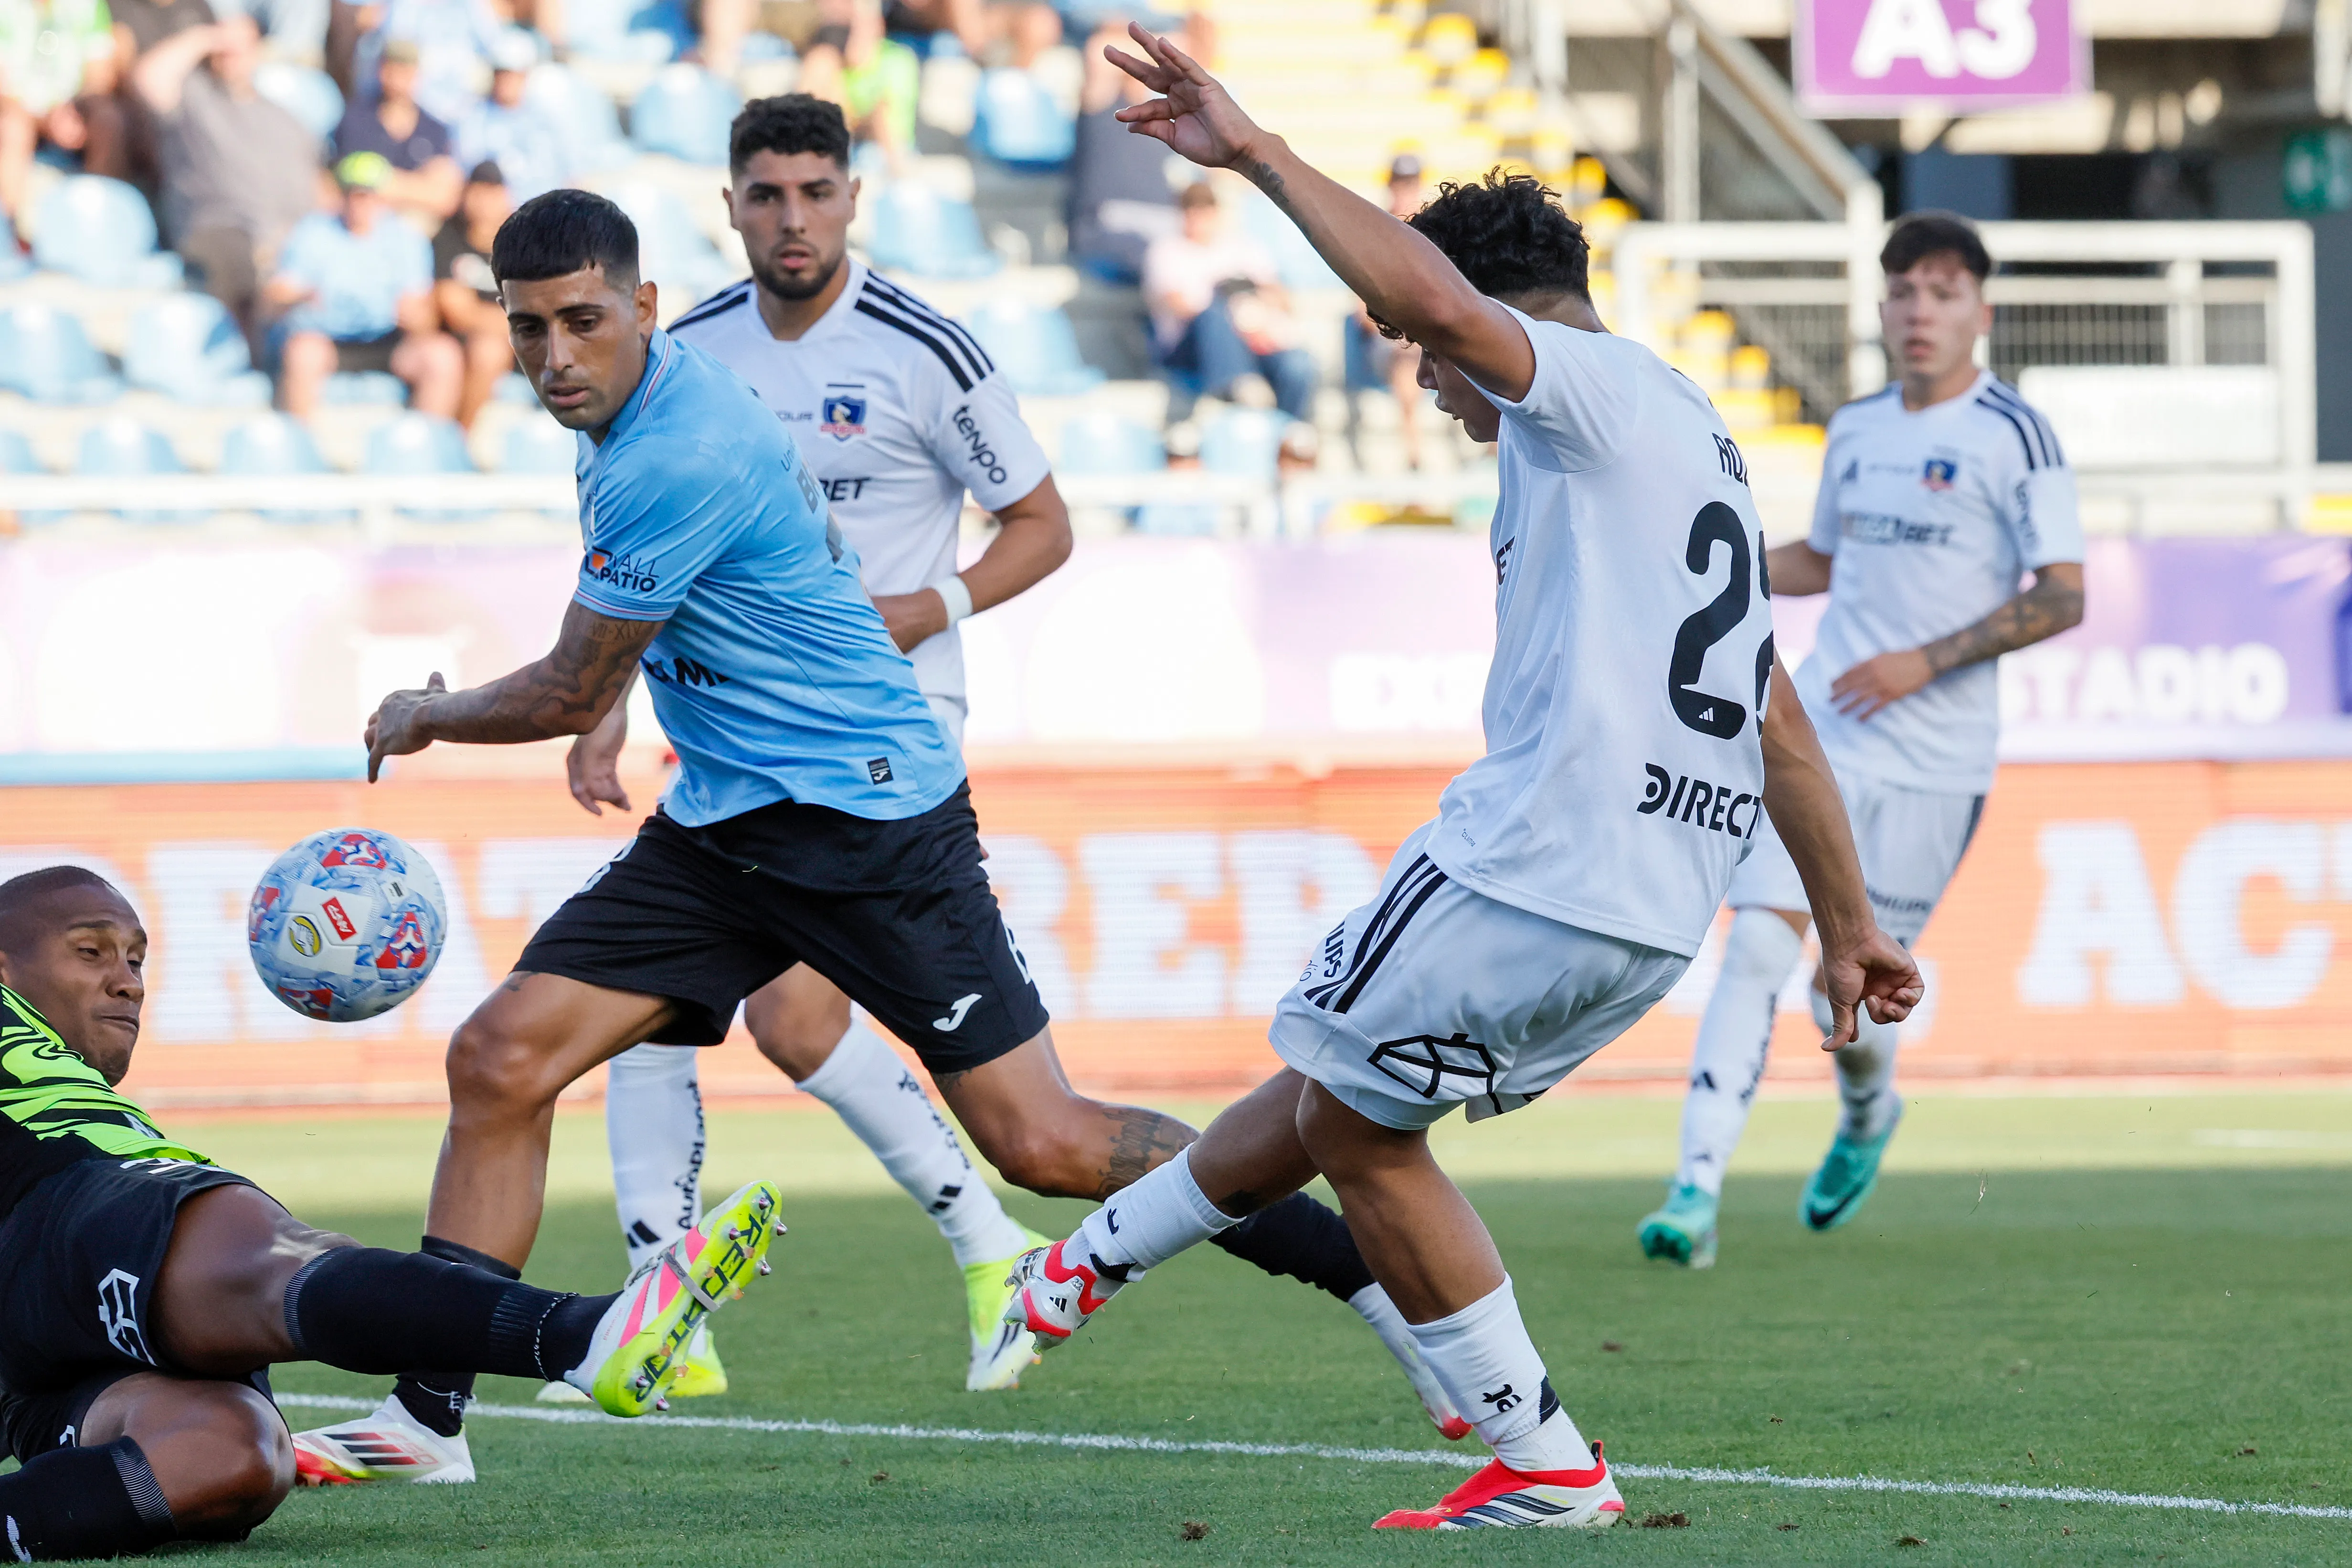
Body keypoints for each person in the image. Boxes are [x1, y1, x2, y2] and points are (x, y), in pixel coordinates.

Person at [295, 184, 1467, 1482]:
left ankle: (1365, 1271)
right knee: (501, 1057)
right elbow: (653, 631)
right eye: (525, 331)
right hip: (728, 823)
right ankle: (426, 1416)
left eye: (579, 322)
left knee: (1048, 1144)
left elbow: (570, 680)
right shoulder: (627, 411)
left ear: (643, 306)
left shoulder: (672, 449)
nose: (552, 358)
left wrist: (429, 710)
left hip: (868, 822)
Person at [995, 25, 1922, 1532]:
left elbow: (1423, 293)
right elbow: (1780, 718)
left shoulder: (1585, 390)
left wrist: (1255, 152)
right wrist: (1846, 921)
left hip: (1537, 857)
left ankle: (1546, 1455)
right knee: (1338, 1090)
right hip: (1656, 896)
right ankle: (1091, 1260)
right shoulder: (1693, 440)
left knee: (1354, 1121)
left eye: (1427, 350)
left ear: (1490, 316)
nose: (1421, 377)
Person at [0, 864, 783, 1555]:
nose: (129, 979)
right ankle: (578, 1333)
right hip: (59, 1198)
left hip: (34, 1347)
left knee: (232, 1456)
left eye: (137, 958)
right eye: (92, 950)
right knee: (259, 1251)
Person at [1637, 212, 2084, 1269]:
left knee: (1851, 987)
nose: (1920, 310)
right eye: (1904, 292)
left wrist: (1922, 662)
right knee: (1753, 940)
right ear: (1882, 309)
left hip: (1938, 760)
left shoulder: (2016, 433)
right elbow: (1823, 559)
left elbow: (2063, 594)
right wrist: (1714, 558)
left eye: (1942, 291)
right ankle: (1693, 1194)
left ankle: (1871, 1109)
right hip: (1828, 737)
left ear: (1980, 308)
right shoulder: (1858, 428)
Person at [131, 15, 317, 344]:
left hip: (277, 239)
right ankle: (250, 354)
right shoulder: (193, 98)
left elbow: (308, 194)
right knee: (234, 253)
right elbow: (148, 78)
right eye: (224, 48)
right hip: (214, 230)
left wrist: (284, 242)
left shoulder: (286, 121)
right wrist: (207, 36)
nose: (230, 55)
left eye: (240, 48)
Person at [267, 151, 462, 420]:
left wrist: (416, 317)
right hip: (328, 341)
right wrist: (298, 296)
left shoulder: (406, 238)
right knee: (303, 353)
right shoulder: (313, 231)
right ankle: (299, 449)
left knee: (442, 356)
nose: (362, 203)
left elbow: (423, 316)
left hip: (388, 341)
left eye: (370, 195)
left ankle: (428, 446)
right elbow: (279, 293)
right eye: (355, 194)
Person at [1143, 178, 1314, 423]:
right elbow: (1178, 305)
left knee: (1298, 365)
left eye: (1204, 210)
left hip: (1250, 340)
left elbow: (1283, 298)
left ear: (1215, 212)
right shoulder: (1167, 251)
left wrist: (1255, 308)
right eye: (1191, 210)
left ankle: (1290, 433)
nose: (1198, 218)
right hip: (1189, 346)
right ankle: (1240, 387)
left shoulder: (1242, 247)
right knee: (1213, 315)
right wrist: (1231, 309)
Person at [1066, 11, 1176, 285]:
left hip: (1166, 224)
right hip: (1109, 224)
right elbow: (1099, 53)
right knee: (1169, 261)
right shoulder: (1100, 101)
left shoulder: (1163, 111)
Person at [0, 0, 127, 233]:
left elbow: (100, 75)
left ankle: (103, 224)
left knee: (108, 119)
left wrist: (70, 112)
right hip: (18, 111)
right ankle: (10, 233)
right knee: (13, 128)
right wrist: (41, 117)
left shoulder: (89, 6)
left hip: (73, 107)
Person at [1343, 153, 1427, 471]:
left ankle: (1492, 450)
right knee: (1406, 358)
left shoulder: (1437, 231)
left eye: (1411, 184)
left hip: (1431, 334)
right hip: (1390, 337)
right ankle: (1413, 454)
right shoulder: (1372, 233)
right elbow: (1361, 312)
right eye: (1400, 184)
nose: (1405, 191)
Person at [332, 37, 461, 230]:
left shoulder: (435, 130)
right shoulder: (355, 119)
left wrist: (387, 183)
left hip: (416, 232)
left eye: (405, 70)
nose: (397, 77)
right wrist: (416, 187)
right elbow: (344, 184)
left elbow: (444, 197)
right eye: (391, 68)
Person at [432, 158, 513, 426]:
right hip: (464, 341)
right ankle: (460, 437)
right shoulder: (448, 237)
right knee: (484, 351)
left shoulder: (523, 243)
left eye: (493, 193)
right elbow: (457, 312)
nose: (484, 202)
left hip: (521, 345)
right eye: (478, 191)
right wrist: (520, 324)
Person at [795, 0, 914, 174]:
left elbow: (888, 119)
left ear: (878, 25)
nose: (853, 38)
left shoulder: (899, 60)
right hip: (850, 151)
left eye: (861, 28)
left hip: (889, 154)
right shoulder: (834, 68)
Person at [451, 26, 565, 201]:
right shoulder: (472, 116)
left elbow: (569, 175)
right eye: (502, 72)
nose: (507, 80)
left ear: (526, 74)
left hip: (544, 214)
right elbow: (467, 177)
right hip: (494, 214)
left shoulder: (545, 119)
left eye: (514, 73)